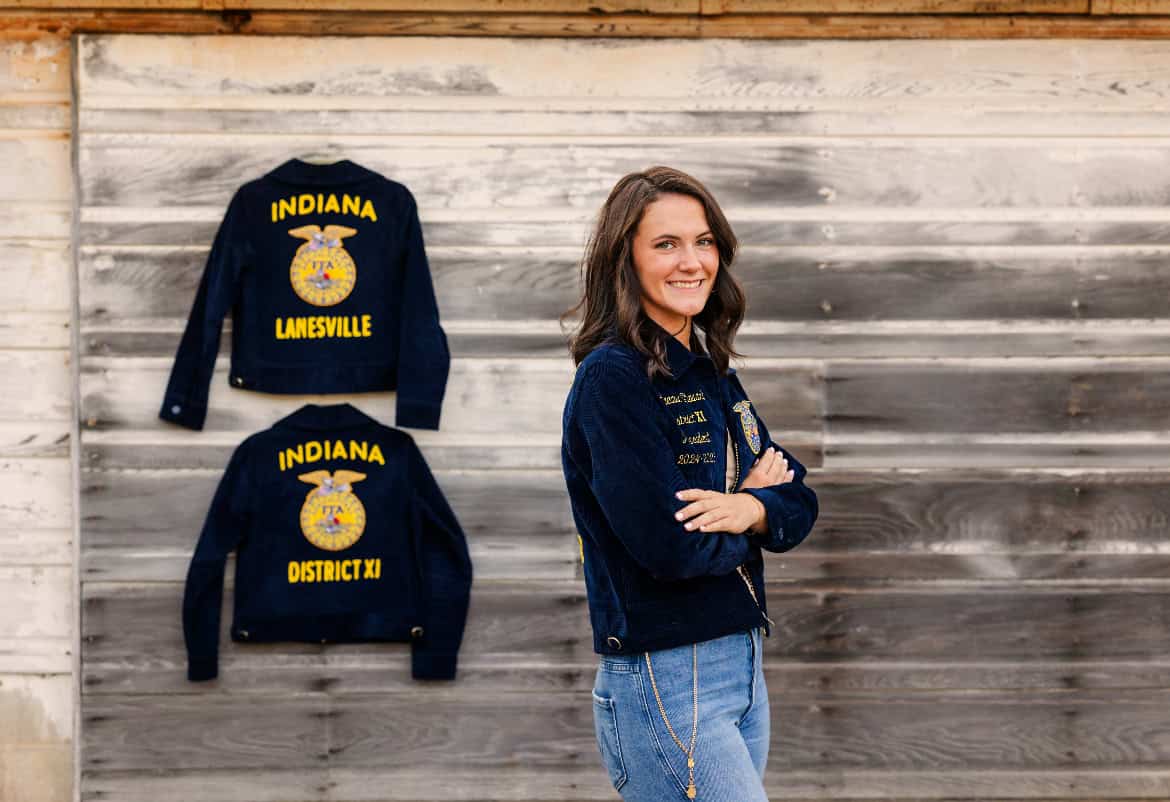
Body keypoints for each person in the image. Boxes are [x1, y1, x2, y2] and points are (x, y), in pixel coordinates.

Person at [560, 166, 819, 801]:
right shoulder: (613, 378)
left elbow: (799, 498)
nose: (692, 262)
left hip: (743, 666)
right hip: (667, 675)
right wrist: (755, 512)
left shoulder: (711, 373)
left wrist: (746, 509)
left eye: (703, 242)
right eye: (666, 244)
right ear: (627, 260)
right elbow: (670, 548)